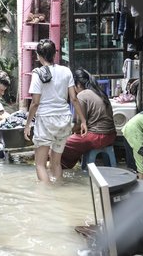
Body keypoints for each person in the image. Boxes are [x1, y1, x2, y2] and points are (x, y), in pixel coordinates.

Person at [23, 39, 87, 184]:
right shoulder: (66, 71)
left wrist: (27, 124)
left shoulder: (37, 74)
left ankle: (46, 199)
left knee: (40, 164)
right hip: (64, 120)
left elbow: (35, 103)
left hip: (46, 120)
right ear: (55, 54)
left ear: (38, 55)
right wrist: (83, 121)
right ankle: (58, 190)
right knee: (56, 163)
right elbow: (74, 98)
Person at [60, 68, 116, 169]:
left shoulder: (82, 95)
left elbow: (79, 124)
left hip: (97, 137)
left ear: (77, 84)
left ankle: (61, 170)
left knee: (59, 145)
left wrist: (68, 132)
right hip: (111, 135)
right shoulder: (100, 92)